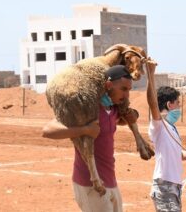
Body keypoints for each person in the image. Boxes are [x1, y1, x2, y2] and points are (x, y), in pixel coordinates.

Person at [42, 65, 135, 212]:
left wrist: (131, 116)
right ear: (109, 85)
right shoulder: (87, 109)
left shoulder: (113, 109)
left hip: (111, 182)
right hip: (90, 183)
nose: (127, 95)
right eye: (123, 89)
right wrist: (84, 130)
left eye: (129, 90)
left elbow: (119, 120)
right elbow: (47, 130)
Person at [145, 59, 186, 212]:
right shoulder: (159, 125)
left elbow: (177, 155)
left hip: (174, 185)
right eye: (178, 102)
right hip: (164, 185)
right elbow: (152, 103)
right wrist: (150, 74)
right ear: (170, 105)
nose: (180, 106)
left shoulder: (171, 128)